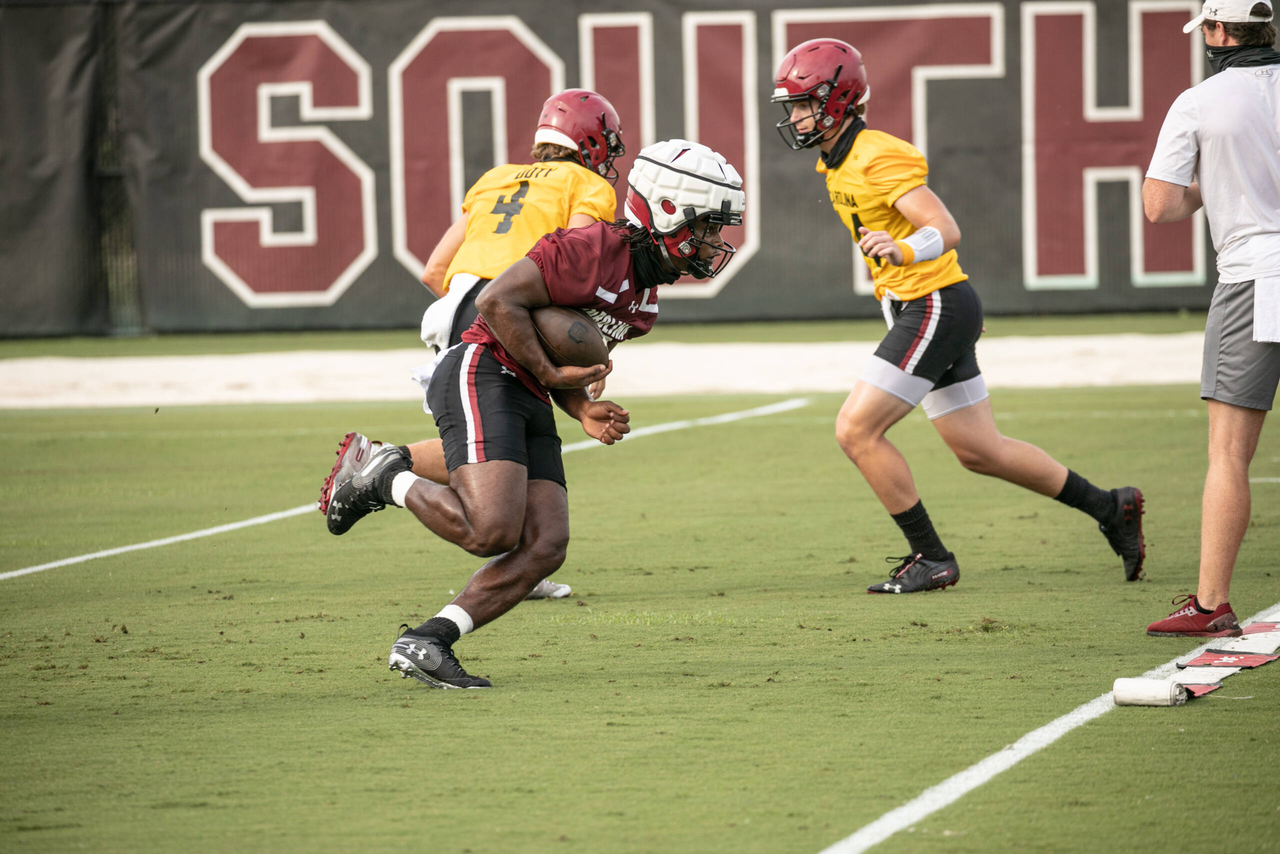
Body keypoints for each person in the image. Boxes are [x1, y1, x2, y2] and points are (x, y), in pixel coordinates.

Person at [325, 139, 745, 688]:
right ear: (667, 209)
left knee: (545, 544)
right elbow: (495, 301)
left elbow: (566, 359)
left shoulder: (644, 301)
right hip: (482, 366)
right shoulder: (592, 245)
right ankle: (384, 475)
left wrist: (583, 409)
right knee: (491, 530)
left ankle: (427, 640)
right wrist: (550, 379)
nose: (715, 242)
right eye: (709, 226)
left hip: (526, 385)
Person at [770, 39, 1145, 593]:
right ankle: (1111, 509)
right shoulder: (841, 158)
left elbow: (945, 228)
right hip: (930, 306)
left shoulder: (876, 152)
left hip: (933, 302)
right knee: (980, 452)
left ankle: (931, 556)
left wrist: (905, 253)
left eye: (804, 102)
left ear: (838, 99)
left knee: (856, 430)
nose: (796, 115)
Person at [319, 88, 626, 599]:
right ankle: (383, 469)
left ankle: (517, 563)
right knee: (494, 436)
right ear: (591, 142)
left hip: (460, 304)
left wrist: (473, 307)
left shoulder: (496, 178)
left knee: (504, 434)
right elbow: (574, 261)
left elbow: (435, 268)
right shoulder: (584, 182)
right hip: (507, 310)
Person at [1143, 0, 1280, 637]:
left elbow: (1161, 207)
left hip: (1255, 273)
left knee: (1229, 452)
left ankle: (1210, 604)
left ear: (1220, 31)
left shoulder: (1197, 100)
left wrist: (1213, 184)